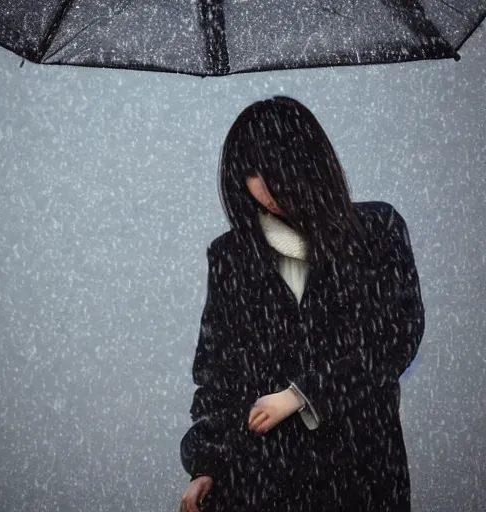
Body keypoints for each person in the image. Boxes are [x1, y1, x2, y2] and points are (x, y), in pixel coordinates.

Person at [179, 96, 425, 511]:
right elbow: (218, 371)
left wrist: (302, 394)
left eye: (274, 169)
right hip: (257, 479)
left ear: (311, 163)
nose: (263, 188)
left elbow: (396, 338)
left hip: (360, 472)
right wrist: (206, 465)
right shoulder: (232, 255)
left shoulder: (376, 231)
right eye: (250, 172)